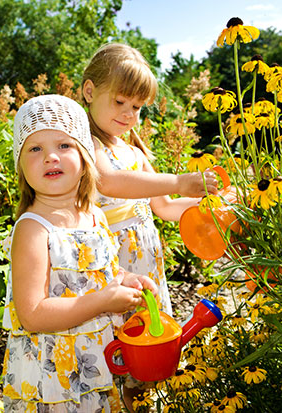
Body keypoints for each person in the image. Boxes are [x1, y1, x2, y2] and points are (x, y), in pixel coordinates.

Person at [81, 42, 218, 410]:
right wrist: (179, 180)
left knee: (147, 354)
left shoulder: (136, 152)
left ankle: (140, 402)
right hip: (114, 266)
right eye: (120, 102)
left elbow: (166, 207)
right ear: (90, 91)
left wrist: (209, 201)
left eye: (137, 107)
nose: (128, 114)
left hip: (146, 267)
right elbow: (109, 182)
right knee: (116, 351)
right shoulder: (86, 145)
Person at [1, 94, 159, 412]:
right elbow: (32, 314)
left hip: (94, 362)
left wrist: (129, 280)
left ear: (86, 154)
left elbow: (103, 274)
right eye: (35, 148)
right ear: (21, 163)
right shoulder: (33, 228)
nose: (50, 157)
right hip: (51, 376)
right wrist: (102, 302)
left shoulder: (95, 216)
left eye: (64, 145)